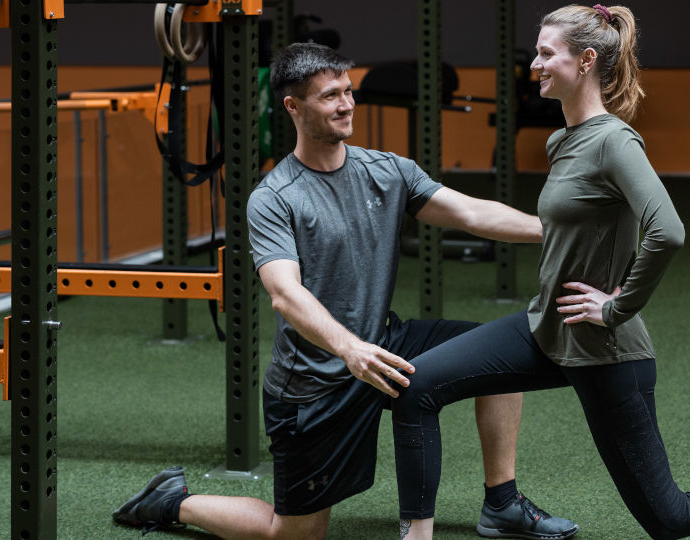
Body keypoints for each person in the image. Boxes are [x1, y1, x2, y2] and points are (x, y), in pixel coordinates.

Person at [390, 5, 690, 540]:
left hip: (604, 349)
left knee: (670, 518)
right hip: (546, 329)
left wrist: (616, 306)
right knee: (418, 384)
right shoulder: (561, 139)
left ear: (586, 61)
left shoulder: (615, 141)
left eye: (547, 54)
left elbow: (668, 230)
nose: (535, 65)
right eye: (536, 53)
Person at [111, 42, 579, 540]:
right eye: (330, 95)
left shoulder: (386, 170)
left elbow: (468, 212)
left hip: (381, 342)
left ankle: (502, 503)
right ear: (293, 107)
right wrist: (349, 347)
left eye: (348, 91)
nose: (346, 104)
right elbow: (285, 294)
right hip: (316, 383)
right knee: (293, 533)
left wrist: (552, 230)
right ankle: (172, 502)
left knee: (499, 360)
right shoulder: (274, 198)